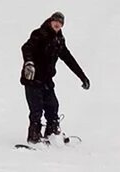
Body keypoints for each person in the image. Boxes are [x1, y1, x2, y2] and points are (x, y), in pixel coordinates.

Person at [20, 12, 89, 144]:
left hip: (46, 80)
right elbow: (26, 48)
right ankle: (34, 138)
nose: (57, 24)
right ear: (50, 21)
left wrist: (82, 77)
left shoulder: (59, 40)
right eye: (55, 21)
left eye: (60, 22)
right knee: (36, 110)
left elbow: (69, 59)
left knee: (53, 106)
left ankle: (52, 134)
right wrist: (29, 63)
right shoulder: (39, 34)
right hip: (33, 79)